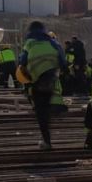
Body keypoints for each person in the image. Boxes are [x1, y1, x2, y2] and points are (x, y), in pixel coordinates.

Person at [19, 21, 67, 150]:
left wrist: (29, 75)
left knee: (41, 113)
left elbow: (22, 62)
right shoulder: (53, 42)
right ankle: (47, 138)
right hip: (50, 79)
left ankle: (47, 141)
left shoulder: (29, 43)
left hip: (37, 81)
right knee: (45, 109)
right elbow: (63, 61)